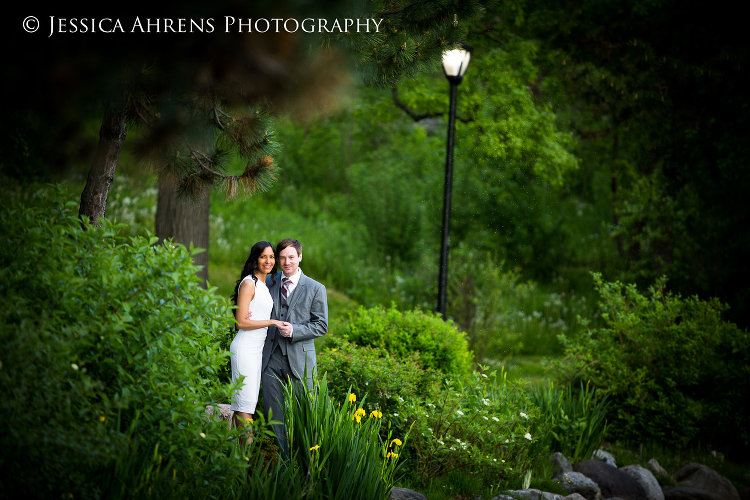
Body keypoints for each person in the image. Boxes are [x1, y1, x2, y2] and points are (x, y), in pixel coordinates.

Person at [261, 238, 328, 456]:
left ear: (300, 257)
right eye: (282, 257)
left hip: (300, 358)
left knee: (305, 414)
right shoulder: (269, 282)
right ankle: (280, 465)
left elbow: (321, 326)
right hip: (270, 357)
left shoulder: (316, 288)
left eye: (291, 257)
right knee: (273, 415)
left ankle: (306, 464)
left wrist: (295, 331)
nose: (286, 262)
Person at [229, 241, 290, 443]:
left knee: (247, 404)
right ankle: (246, 456)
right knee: (245, 405)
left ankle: (240, 457)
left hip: (256, 351)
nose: (269, 261)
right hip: (245, 348)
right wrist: (272, 321)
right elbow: (240, 322)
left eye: (272, 257)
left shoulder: (264, 284)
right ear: (255, 258)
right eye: (264, 256)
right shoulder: (249, 283)